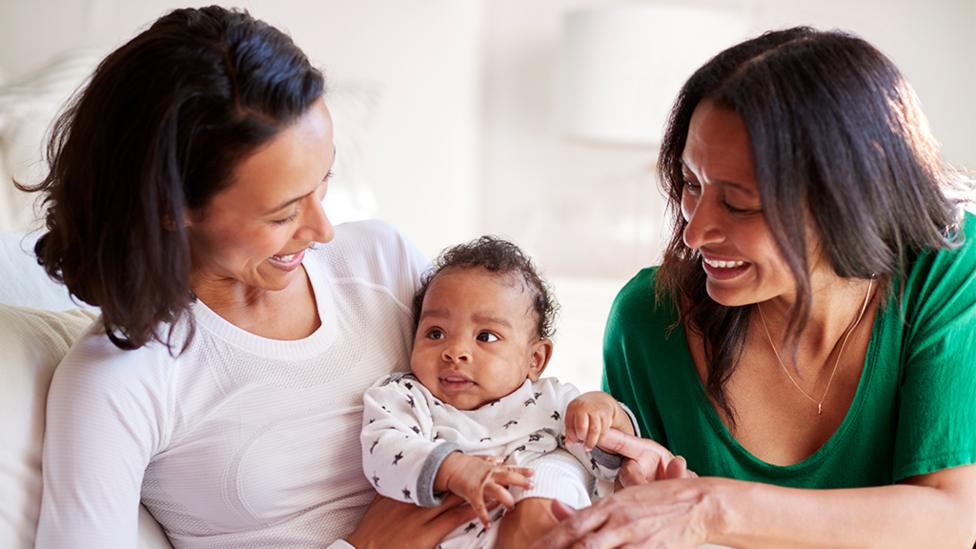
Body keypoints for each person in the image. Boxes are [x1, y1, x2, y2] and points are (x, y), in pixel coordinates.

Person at [24, 7, 476, 548]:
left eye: (324, 180)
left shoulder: (382, 261)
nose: (322, 230)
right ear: (171, 208)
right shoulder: (120, 378)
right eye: (282, 214)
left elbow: (510, 406)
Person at [534, 27, 976, 548]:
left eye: (740, 203)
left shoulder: (948, 269)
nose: (695, 233)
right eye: (692, 185)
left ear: (847, 197)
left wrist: (712, 507)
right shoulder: (648, 318)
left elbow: (952, 518)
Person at [360, 236, 638, 548]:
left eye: (486, 337)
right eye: (436, 333)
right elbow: (383, 453)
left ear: (535, 359)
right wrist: (452, 468)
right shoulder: (406, 397)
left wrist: (603, 412)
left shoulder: (548, 402)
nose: (455, 352)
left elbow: (606, 462)